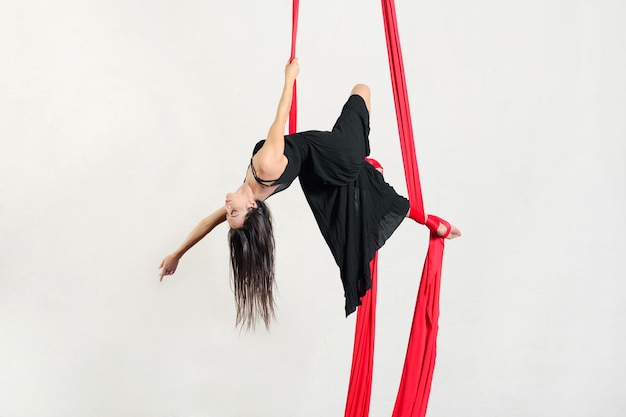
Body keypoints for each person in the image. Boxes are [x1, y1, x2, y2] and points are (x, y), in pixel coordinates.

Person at [159, 58, 460, 329]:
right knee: (362, 89)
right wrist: (290, 76)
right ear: (251, 206)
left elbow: (206, 224)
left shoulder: (251, 197)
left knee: (366, 185)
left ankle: (373, 176)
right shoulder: (266, 165)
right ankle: (361, 168)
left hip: (320, 167)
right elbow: (281, 115)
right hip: (335, 157)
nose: (226, 209)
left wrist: (177, 253)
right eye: (232, 212)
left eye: (229, 214)